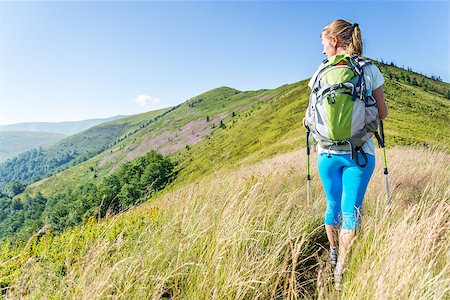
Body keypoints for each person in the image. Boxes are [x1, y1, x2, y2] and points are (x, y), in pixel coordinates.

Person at [306, 19, 388, 289]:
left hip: (326, 154)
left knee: (332, 206)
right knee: (351, 212)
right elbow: (383, 112)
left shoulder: (320, 72)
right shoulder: (369, 69)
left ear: (334, 41)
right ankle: (342, 271)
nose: (322, 51)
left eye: (323, 44)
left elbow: (309, 116)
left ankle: (332, 255)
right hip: (360, 154)